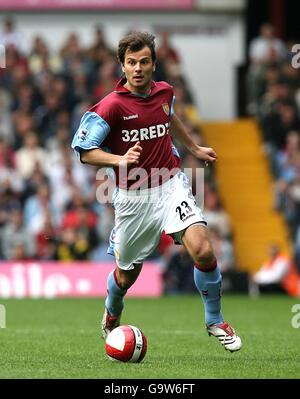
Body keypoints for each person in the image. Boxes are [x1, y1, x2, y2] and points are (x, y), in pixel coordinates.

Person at [71, 32, 242, 352]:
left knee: (203, 249)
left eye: (144, 62)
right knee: (126, 277)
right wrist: (120, 159)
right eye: (131, 62)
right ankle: (112, 307)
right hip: (133, 199)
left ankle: (214, 319)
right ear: (122, 66)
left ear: (153, 64)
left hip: (169, 184)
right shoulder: (111, 106)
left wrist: (193, 147)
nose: (138, 68)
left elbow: (169, 117)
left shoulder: (165, 92)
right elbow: (84, 151)